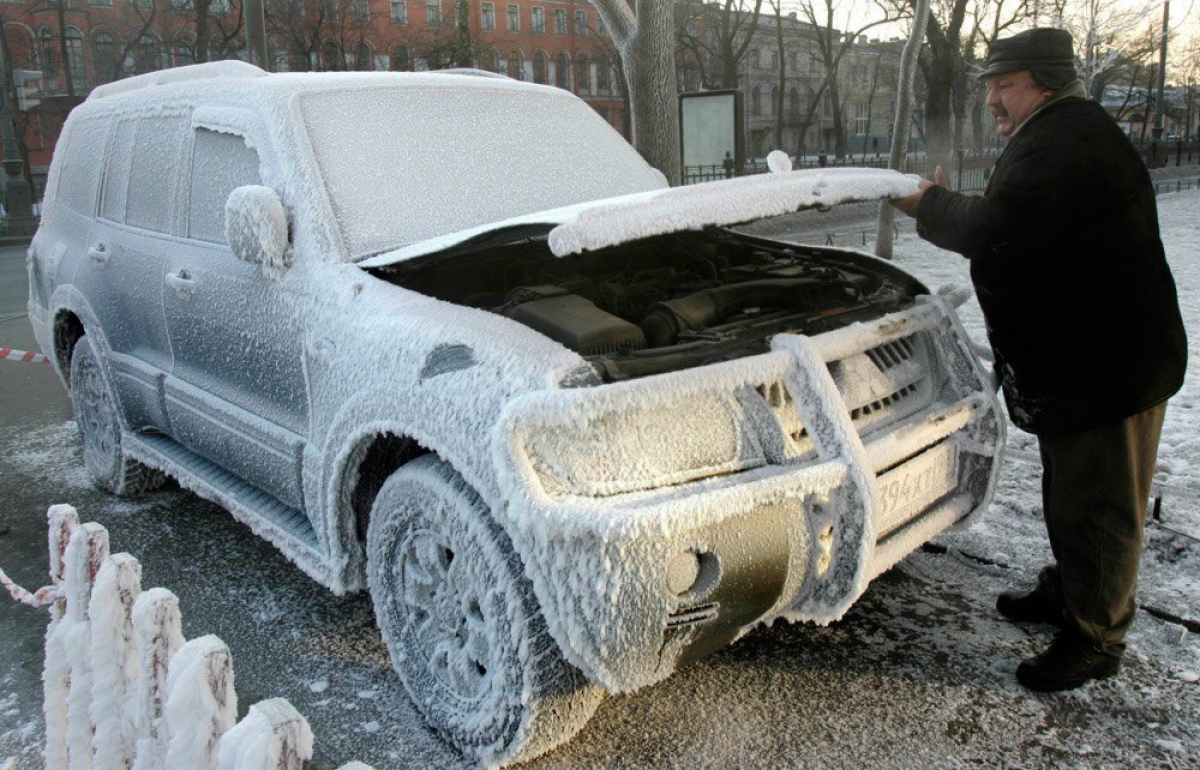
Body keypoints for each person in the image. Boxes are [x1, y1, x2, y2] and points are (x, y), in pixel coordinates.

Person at [892, 28, 1187, 692]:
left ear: (1045, 83)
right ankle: (1072, 590)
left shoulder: (1065, 141)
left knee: (1101, 506)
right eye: (991, 84)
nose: (993, 97)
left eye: (1007, 83)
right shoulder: (1057, 131)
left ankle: (1096, 636)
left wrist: (925, 204)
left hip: (1111, 370)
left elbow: (998, 229)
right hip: (1084, 364)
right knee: (1071, 491)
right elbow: (1018, 223)